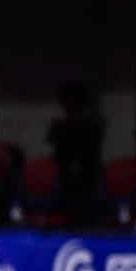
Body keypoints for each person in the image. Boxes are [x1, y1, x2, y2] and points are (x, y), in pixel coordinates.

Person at [45, 81, 104, 227]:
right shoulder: (59, 126)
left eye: (74, 103)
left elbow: (91, 154)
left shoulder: (91, 127)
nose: (70, 107)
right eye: (67, 103)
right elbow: (51, 141)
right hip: (62, 179)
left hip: (85, 180)